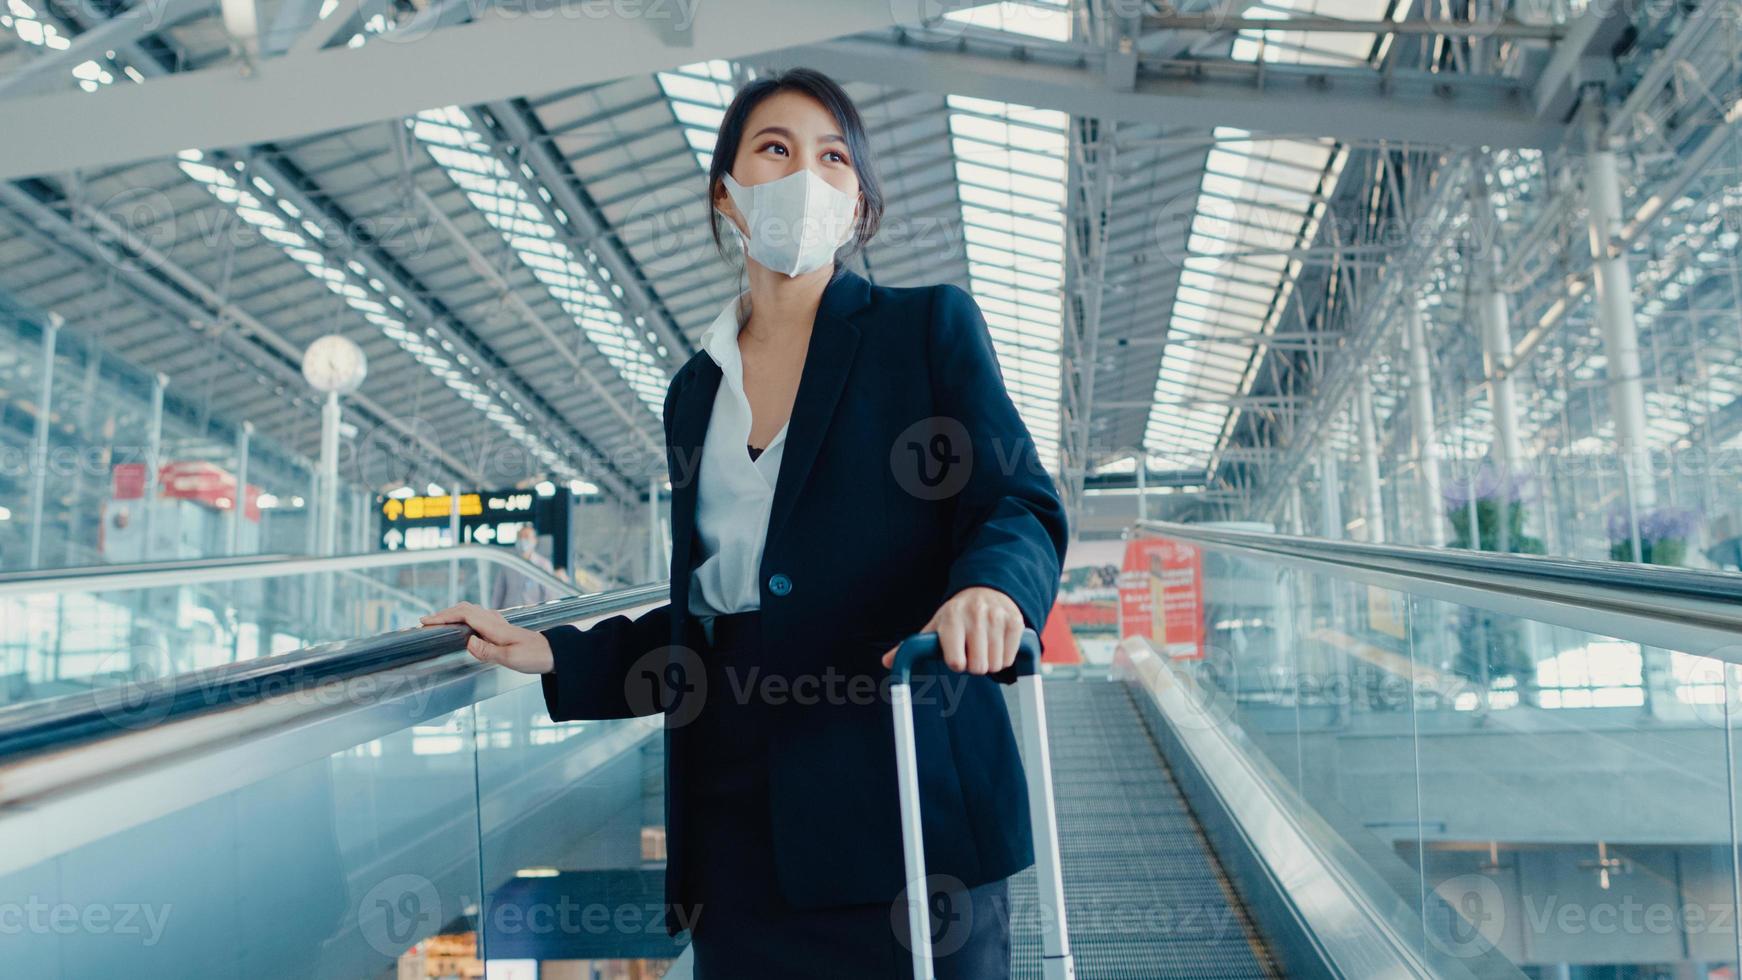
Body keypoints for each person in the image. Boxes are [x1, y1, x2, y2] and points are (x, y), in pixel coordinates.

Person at [422, 66, 1068, 979]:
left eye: (834, 157)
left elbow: (1019, 503)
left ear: (859, 203)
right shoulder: (695, 393)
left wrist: (992, 587)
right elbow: (710, 618)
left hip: (907, 819)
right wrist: (552, 650)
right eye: (777, 149)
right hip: (737, 830)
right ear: (727, 195)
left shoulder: (924, 333)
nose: (808, 174)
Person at [488, 525, 559, 609]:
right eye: (520, 537)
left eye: (526, 537)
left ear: (534, 540)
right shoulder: (508, 563)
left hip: (533, 615)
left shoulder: (543, 565)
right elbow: (498, 592)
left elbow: (550, 596)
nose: (522, 540)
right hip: (509, 614)